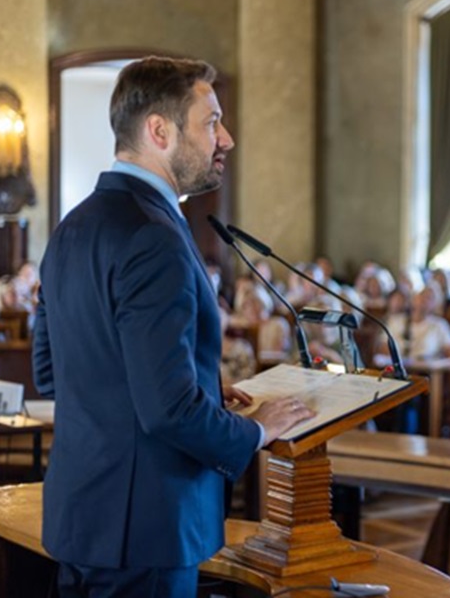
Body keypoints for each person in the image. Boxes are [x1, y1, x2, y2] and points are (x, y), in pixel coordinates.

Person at [33, 57, 315, 597]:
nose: (226, 138)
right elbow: (165, 411)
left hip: (81, 519)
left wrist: (199, 387)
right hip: (147, 531)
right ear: (159, 131)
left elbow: (55, 373)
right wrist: (258, 429)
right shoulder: (154, 236)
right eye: (210, 122)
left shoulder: (71, 226)